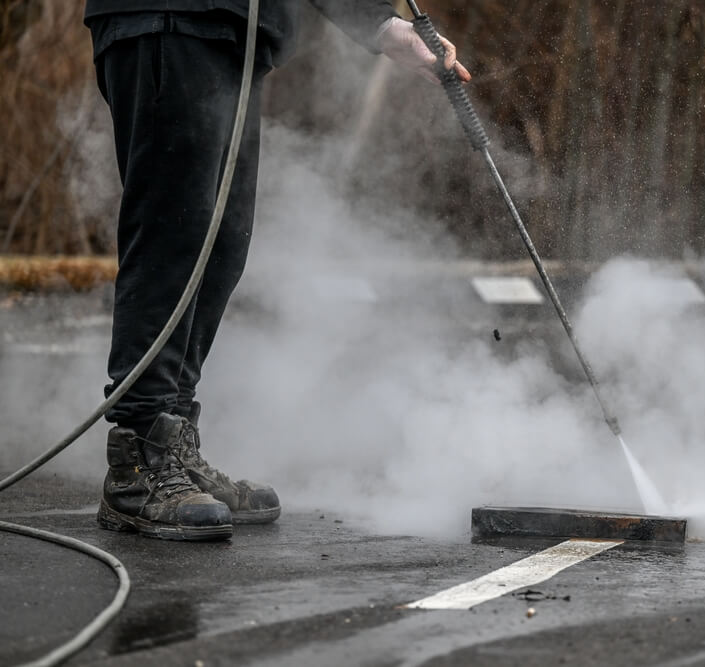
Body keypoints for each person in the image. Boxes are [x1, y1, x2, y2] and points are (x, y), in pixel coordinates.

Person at [84, 0, 471, 541]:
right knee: (174, 239)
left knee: (222, 245)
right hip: (169, 20)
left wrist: (382, 26)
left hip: (231, 35)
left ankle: (172, 439)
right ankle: (137, 462)